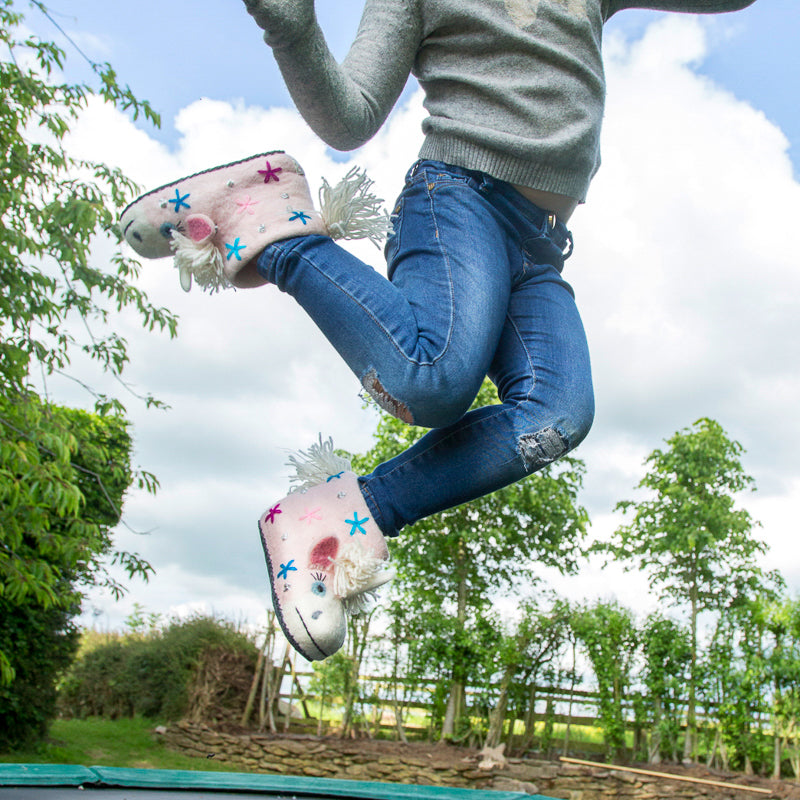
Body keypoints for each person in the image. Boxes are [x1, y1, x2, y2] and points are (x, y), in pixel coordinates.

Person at [121, 0, 756, 661]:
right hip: (458, 200)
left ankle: (340, 517)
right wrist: (292, 26)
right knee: (430, 380)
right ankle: (273, 229)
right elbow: (349, 116)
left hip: (537, 247)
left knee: (559, 411)